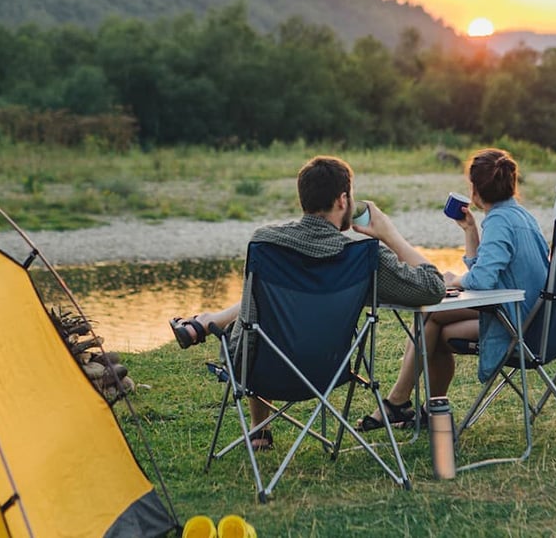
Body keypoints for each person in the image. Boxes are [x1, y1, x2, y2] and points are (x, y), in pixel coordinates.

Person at [168, 155, 446, 450]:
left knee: (255, 319)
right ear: (342, 200)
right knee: (256, 312)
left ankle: (259, 429)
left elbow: (251, 315)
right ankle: (208, 323)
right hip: (329, 370)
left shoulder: (266, 243)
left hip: (260, 370)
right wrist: (390, 235)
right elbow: (433, 288)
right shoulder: (362, 257)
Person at [357, 147, 550, 431]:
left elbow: (481, 281)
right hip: (532, 316)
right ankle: (425, 409)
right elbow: (486, 270)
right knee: (435, 326)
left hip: (516, 323)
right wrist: (470, 231)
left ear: (474, 190)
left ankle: (398, 403)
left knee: (431, 319)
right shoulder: (520, 216)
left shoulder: (499, 221)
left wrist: (452, 281)